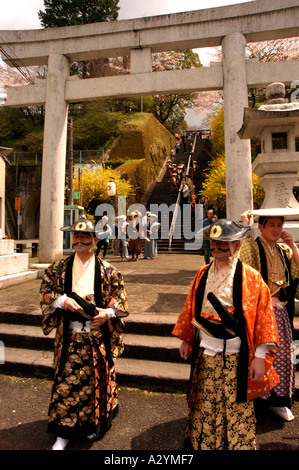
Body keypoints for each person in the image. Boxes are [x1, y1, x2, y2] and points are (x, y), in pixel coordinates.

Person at [173, 219, 279, 450]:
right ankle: (204, 443)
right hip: (206, 352)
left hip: (235, 355)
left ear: (237, 244)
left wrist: (260, 356)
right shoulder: (202, 273)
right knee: (205, 400)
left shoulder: (251, 277)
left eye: (223, 243)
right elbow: (190, 305)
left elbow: (264, 317)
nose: (217, 247)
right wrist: (186, 337)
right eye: (213, 242)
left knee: (235, 403)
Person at [40, 216, 129, 450]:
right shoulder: (58, 268)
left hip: (96, 337)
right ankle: (63, 432)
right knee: (66, 384)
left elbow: (120, 299)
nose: (79, 241)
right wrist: (61, 300)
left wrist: (107, 314)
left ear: (95, 240)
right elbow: (46, 291)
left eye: (84, 237)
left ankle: (91, 426)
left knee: (94, 383)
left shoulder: (109, 271)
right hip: (70, 338)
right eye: (76, 236)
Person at [239, 209, 299, 421]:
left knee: (284, 357)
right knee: (261, 357)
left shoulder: (285, 251)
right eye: (271, 224)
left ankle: (280, 401)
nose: (276, 229)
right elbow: (241, 261)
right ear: (261, 226)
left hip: (282, 312)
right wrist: (246, 225)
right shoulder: (253, 247)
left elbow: (297, 275)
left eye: (279, 225)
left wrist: (293, 246)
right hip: (261, 313)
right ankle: (260, 401)